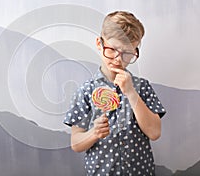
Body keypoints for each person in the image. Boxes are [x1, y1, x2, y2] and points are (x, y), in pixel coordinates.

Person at [63, 11, 166, 176]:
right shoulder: (86, 91)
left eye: (127, 53)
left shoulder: (142, 87)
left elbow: (154, 133)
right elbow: (76, 144)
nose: (118, 59)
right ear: (99, 44)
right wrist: (93, 133)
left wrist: (131, 92)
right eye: (112, 50)